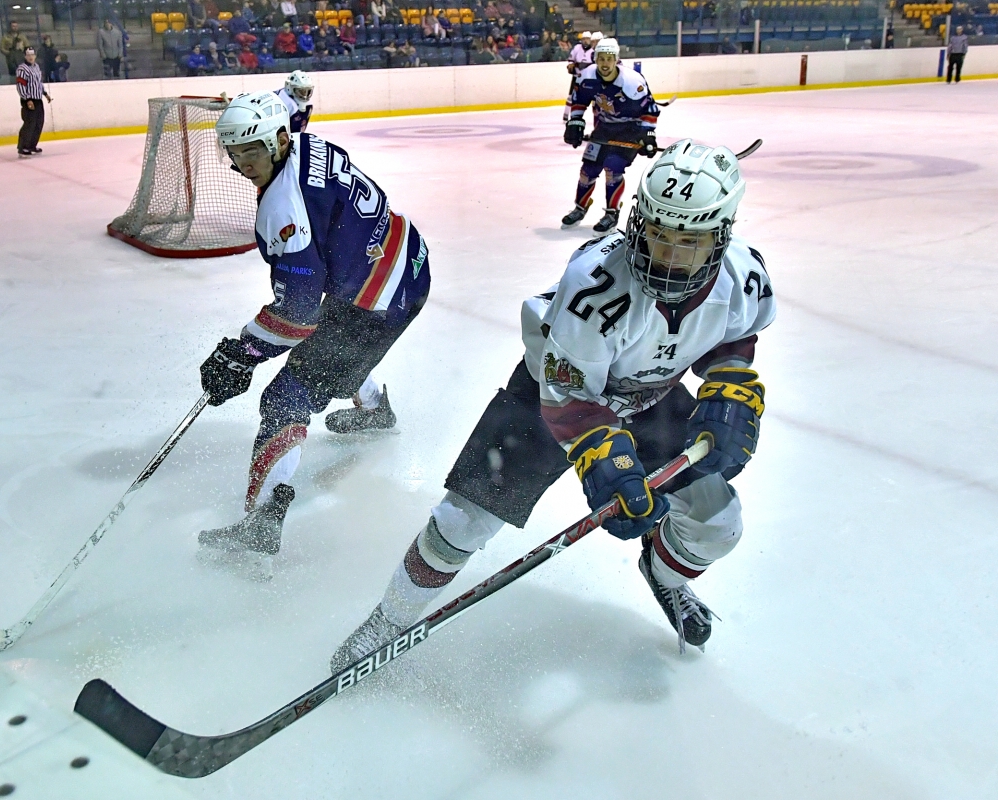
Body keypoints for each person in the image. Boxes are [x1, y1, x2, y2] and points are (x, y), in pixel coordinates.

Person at [331, 139, 775, 671]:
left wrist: (729, 383)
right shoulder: (595, 286)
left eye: (688, 242)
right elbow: (569, 398)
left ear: (721, 236)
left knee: (716, 521)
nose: (666, 256)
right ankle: (388, 621)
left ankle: (665, 576)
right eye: (657, 233)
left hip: (647, 395)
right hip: (551, 393)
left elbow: (732, 335)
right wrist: (605, 460)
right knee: (461, 522)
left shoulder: (744, 275)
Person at [198, 91, 432, 562]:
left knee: (287, 396)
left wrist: (243, 354)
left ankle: (261, 526)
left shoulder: (282, 208)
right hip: (404, 259)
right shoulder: (309, 144)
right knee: (334, 346)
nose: (244, 163)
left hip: (377, 300)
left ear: (279, 141)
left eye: (253, 150)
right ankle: (376, 410)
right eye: (236, 152)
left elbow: (298, 313)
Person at [561, 37, 659, 233]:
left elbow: (650, 110)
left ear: (616, 60)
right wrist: (575, 122)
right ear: (596, 59)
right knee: (588, 170)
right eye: (601, 58)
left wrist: (648, 134)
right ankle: (580, 208)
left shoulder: (632, 82)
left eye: (609, 59)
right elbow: (579, 101)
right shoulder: (587, 76)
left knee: (613, 169)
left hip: (631, 129)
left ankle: (612, 213)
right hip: (604, 127)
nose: (605, 64)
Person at [15, 46, 51, 156]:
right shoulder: (22, 69)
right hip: (29, 100)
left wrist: (45, 93)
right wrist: (27, 99)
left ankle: (31, 145)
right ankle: (23, 147)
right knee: (30, 123)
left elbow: (38, 83)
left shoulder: (36, 67)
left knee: (39, 123)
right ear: (25, 56)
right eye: (28, 55)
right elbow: (20, 85)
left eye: (32, 55)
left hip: (38, 98)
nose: (30, 57)